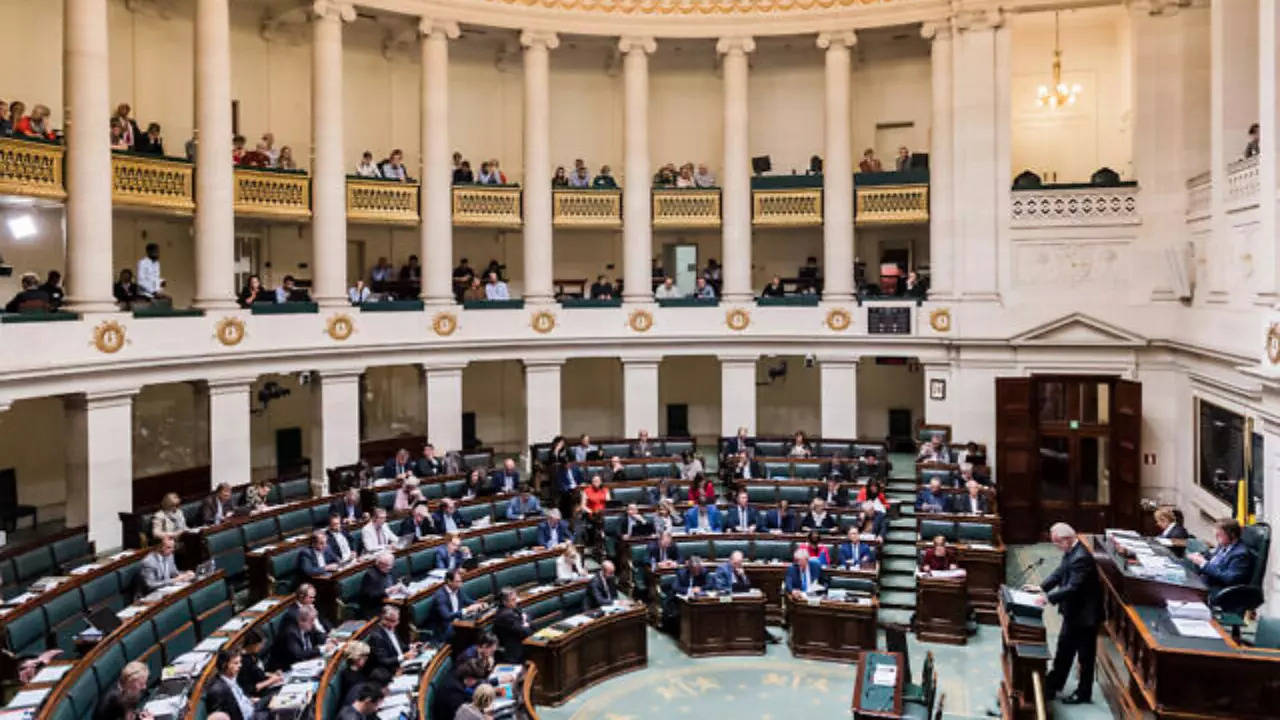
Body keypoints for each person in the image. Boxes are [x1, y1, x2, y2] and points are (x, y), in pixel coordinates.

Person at [1022, 523, 1102, 705]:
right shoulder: (1071, 552)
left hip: (1085, 617)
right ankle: (1053, 685)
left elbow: (1073, 587)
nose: (1055, 546)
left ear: (1067, 539)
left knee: (1085, 657)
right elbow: (1060, 573)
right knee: (1064, 650)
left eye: (1057, 542)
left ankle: (1083, 694)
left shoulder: (1081, 557)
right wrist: (1041, 587)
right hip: (1074, 612)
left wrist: (1048, 598)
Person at [1187, 519, 1254, 599]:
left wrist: (1204, 564)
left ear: (1232, 534)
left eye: (1219, 535)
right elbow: (1212, 556)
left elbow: (1229, 578)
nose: (1216, 537)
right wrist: (1200, 556)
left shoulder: (1240, 554)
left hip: (1219, 590)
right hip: (1205, 581)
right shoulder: (1224, 544)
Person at [205, 649, 262, 720]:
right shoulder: (217, 691)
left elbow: (238, 698)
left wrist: (249, 700)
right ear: (224, 665)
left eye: (240, 662)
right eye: (236, 663)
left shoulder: (231, 677)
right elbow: (219, 716)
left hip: (253, 708)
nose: (240, 665)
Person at [428, 569, 483, 641]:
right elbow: (447, 616)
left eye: (461, 581)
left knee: (478, 627)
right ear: (449, 581)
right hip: (445, 629)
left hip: (458, 622)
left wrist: (478, 604)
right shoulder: (440, 596)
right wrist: (467, 610)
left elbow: (467, 601)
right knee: (473, 632)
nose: (461, 584)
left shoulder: (457, 589)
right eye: (457, 582)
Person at [366, 604, 418, 677]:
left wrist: (411, 646)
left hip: (402, 664)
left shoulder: (391, 627)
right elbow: (383, 661)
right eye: (395, 621)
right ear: (386, 620)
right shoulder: (377, 636)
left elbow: (399, 646)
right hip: (390, 671)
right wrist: (404, 657)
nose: (398, 623)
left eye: (397, 620)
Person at [269, 605, 326, 670]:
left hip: (303, 664)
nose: (313, 623)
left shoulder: (307, 625)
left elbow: (318, 635)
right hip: (284, 669)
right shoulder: (290, 633)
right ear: (301, 621)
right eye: (312, 620)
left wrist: (328, 640)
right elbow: (298, 654)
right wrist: (321, 649)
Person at [236, 629, 283, 697]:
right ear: (253, 644)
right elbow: (251, 689)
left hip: (267, 685)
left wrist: (272, 674)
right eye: (261, 644)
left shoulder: (253, 654)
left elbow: (258, 672)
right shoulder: (243, 662)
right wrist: (272, 680)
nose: (262, 646)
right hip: (259, 695)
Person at [492, 587, 532, 663]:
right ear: (504, 602)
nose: (516, 601)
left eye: (515, 598)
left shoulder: (512, 608)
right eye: (513, 600)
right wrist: (525, 622)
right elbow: (526, 632)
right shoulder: (505, 615)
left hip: (520, 642)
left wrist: (524, 622)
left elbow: (528, 615)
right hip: (513, 652)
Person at [359, 552, 399, 618]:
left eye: (391, 565)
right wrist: (386, 591)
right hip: (375, 607)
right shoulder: (370, 575)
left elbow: (396, 580)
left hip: (391, 600)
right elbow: (371, 596)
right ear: (380, 564)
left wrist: (398, 587)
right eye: (388, 566)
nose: (390, 568)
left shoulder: (390, 569)